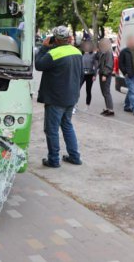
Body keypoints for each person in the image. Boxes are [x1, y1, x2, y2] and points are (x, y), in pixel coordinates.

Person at [35, 25, 83, 168]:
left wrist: (44, 47)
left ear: (55, 39)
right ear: (69, 38)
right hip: (71, 97)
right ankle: (75, 157)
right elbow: (80, 75)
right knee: (67, 126)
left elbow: (38, 65)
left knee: (51, 130)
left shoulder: (53, 54)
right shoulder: (77, 52)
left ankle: (53, 160)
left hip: (55, 99)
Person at [97, 38, 115, 116]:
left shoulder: (109, 52)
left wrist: (105, 74)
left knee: (106, 91)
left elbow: (109, 64)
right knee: (104, 91)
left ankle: (110, 110)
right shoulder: (103, 52)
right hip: (102, 73)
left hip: (106, 74)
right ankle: (108, 108)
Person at [79, 41, 98, 112]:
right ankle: (74, 104)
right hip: (82, 74)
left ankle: (87, 106)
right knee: (77, 88)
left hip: (90, 75)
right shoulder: (82, 54)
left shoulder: (93, 55)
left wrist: (95, 75)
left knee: (88, 90)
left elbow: (96, 66)